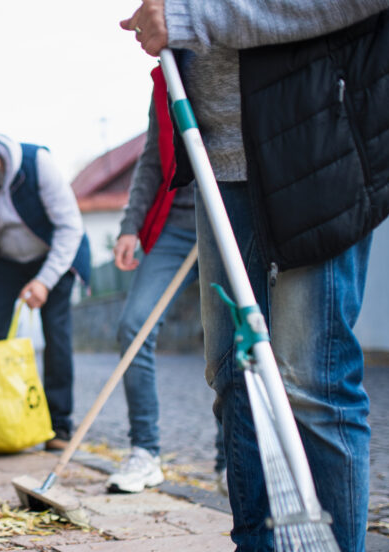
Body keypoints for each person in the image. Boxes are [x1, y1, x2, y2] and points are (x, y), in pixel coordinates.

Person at [121, 0, 389, 552]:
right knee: (233, 373)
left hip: (317, 140)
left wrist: (193, 20)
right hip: (221, 161)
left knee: (311, 375)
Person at [105, 74, 226, 495]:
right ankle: (145, 452)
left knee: (228, 338)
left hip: (232, 214)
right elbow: (153, 159)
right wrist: (129, 226)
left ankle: (232, 458)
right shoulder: (167, 74)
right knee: (134, 326)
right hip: (175, 223)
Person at [0, 130, 91, 451]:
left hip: (55, 254)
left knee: (56, 334)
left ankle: (59, 426)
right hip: (7, 258)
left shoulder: (37, 163)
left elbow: (70, 227)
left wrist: (45, 280)